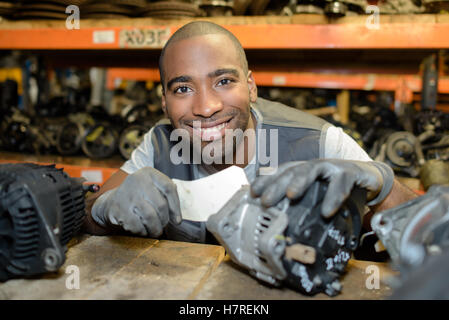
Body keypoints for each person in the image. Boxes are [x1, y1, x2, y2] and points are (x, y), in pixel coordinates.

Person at [82, 21, 418, 243]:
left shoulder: (319, 143)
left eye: (224, 82)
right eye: (183, 88)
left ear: (252, 87)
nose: (207, 106)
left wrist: (385, 189)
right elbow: (87, 215)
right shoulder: (158, 144)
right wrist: (103, 209)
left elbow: (425, 232)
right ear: (164, 103)